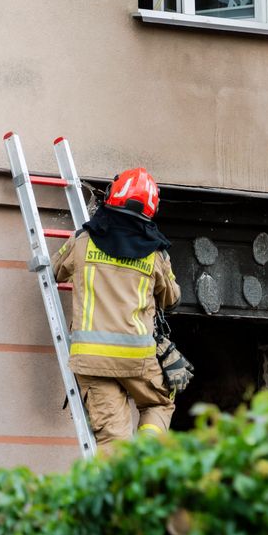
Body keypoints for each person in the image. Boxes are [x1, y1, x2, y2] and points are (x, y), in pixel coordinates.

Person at [53, 167, 182, 452]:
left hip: (92, 361)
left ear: (113, 196)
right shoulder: (155, 254)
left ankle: (118, 487)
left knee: (113, 440)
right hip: (137, 359)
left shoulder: (82, 241)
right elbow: (172, 299)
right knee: (159, 402)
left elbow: (54, 272)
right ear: (151, 209)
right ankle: (146, 454)